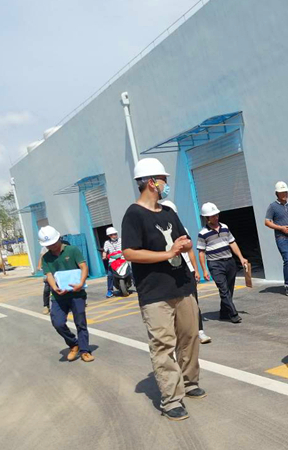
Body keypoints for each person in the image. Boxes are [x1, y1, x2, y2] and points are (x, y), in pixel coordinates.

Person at [121, 158, 204, 421]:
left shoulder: (168, 212)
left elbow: (185, 241)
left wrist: (184, 245)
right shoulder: (134, 214)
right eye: (163, 180)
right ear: (150, 182)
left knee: (190, 337)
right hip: (155, 293)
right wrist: (167, 253)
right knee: (163, 345)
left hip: (182, 285)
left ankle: (190, 382)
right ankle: (171, 400)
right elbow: (129, 252)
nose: (166, 184)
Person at [39, 226, 94, 362]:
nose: (51, 246)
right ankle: (73, 344)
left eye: (53, 243)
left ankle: (85, 351)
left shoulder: (72, 250)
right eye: (48, 245)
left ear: (58, 238)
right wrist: (54, 287)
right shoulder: (46, 258)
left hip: (77, 293)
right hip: (58, 296)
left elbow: (83, 267)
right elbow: (49, 275)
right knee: (57, 323)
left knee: (80, 323)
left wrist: (81, 283)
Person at [160, 200, 211, 344]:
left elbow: (190, 252)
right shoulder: (159, 232)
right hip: (171, 273)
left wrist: (195, 270)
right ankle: (180, 334)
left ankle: (199, 331)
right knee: (174, 305)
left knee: (193, 302)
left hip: (187, 271)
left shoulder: (183, 230)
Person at [197, 202, 248, 324]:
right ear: (207, 218)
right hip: (215, 264)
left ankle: (224, 313)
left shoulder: (225, 227)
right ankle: (233, 314)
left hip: (229, 262)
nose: (216, 217)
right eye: (213, 216)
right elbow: (201, 252)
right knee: (224, 289)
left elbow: (232, 243)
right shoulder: (203, 233)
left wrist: (241, 257)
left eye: (217, 215)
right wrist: (204, 270)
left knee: (229, 289)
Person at [102, 226, 122, 298]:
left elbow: (126, 247)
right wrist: (104, 256)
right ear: (109, 236)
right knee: (110, 275)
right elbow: (105, 251)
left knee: (130, 271)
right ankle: (110, 290)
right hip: (112, 261)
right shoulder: (107, 243)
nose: (114, 236)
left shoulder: (121, 240)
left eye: (115, 234)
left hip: (122, 259)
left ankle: (136, 285)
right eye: (112, 235)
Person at [37, 246, 51, 315]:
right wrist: (39, 266)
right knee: (47, 289)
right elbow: (41, 257)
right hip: (48, 268)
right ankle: (46, 306)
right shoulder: (45, 248)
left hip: (58, 268)